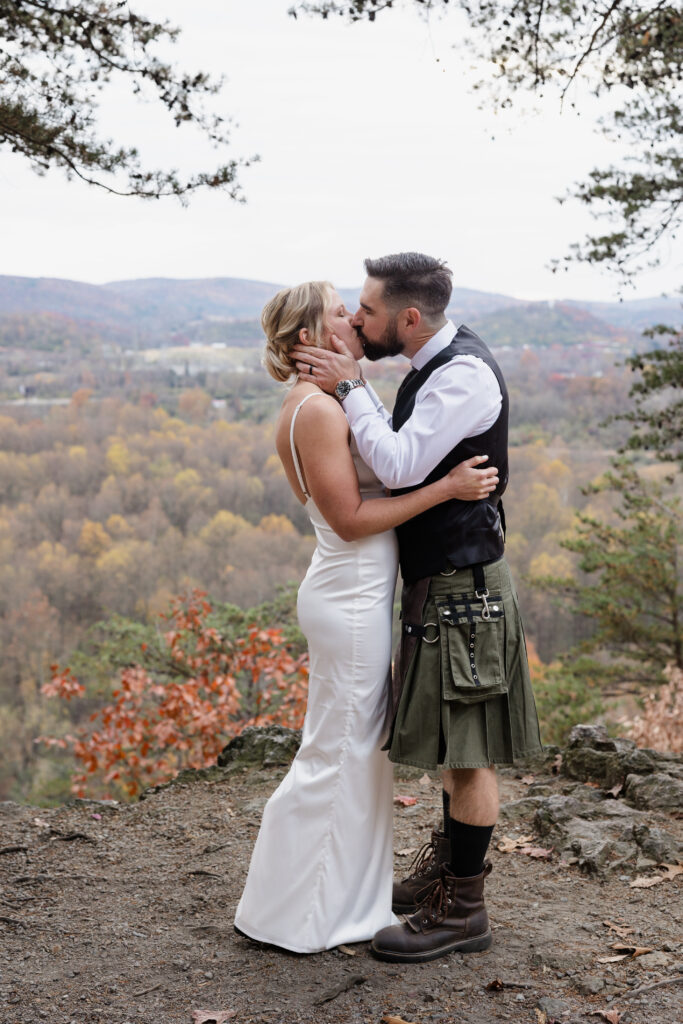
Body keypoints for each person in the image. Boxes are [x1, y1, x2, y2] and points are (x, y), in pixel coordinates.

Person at [233, 280, 499, 954]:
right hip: (348, 596)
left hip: (355, 595)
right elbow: (349, 522)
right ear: (307, 340)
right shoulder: (315, 413)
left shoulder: (326, 401)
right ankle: (302, 914)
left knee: (352, 750)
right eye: (337, 314)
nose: (352, 319)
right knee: (340, 750)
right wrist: (446, 487)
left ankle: (332, 898)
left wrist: (354, 389)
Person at [292, 253, 543, 964]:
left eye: (365, 310)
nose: (356, 320)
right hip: (442, 585)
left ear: (407, 317)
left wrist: (348, 388)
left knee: (467, 754)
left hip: (464, 587)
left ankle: (463, 910)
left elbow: (399, 465)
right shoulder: (428, 368)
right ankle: (448, 874)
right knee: (451, 746)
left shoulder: (460, 372)